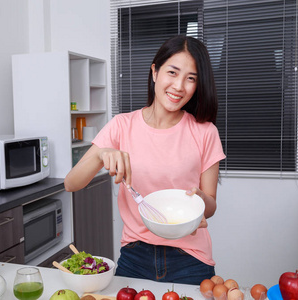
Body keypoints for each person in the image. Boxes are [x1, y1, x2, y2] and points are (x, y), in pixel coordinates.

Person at [64, 35, 226, 285]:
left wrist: (201, 199)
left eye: (190, 78)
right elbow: (71, 184)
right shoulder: (121, 125)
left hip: (191, 259)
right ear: (155, 72)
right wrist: (100, 153)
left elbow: (211, 207)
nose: (179, 86)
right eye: (172, 72)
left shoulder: (206, 132)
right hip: (134, 256)